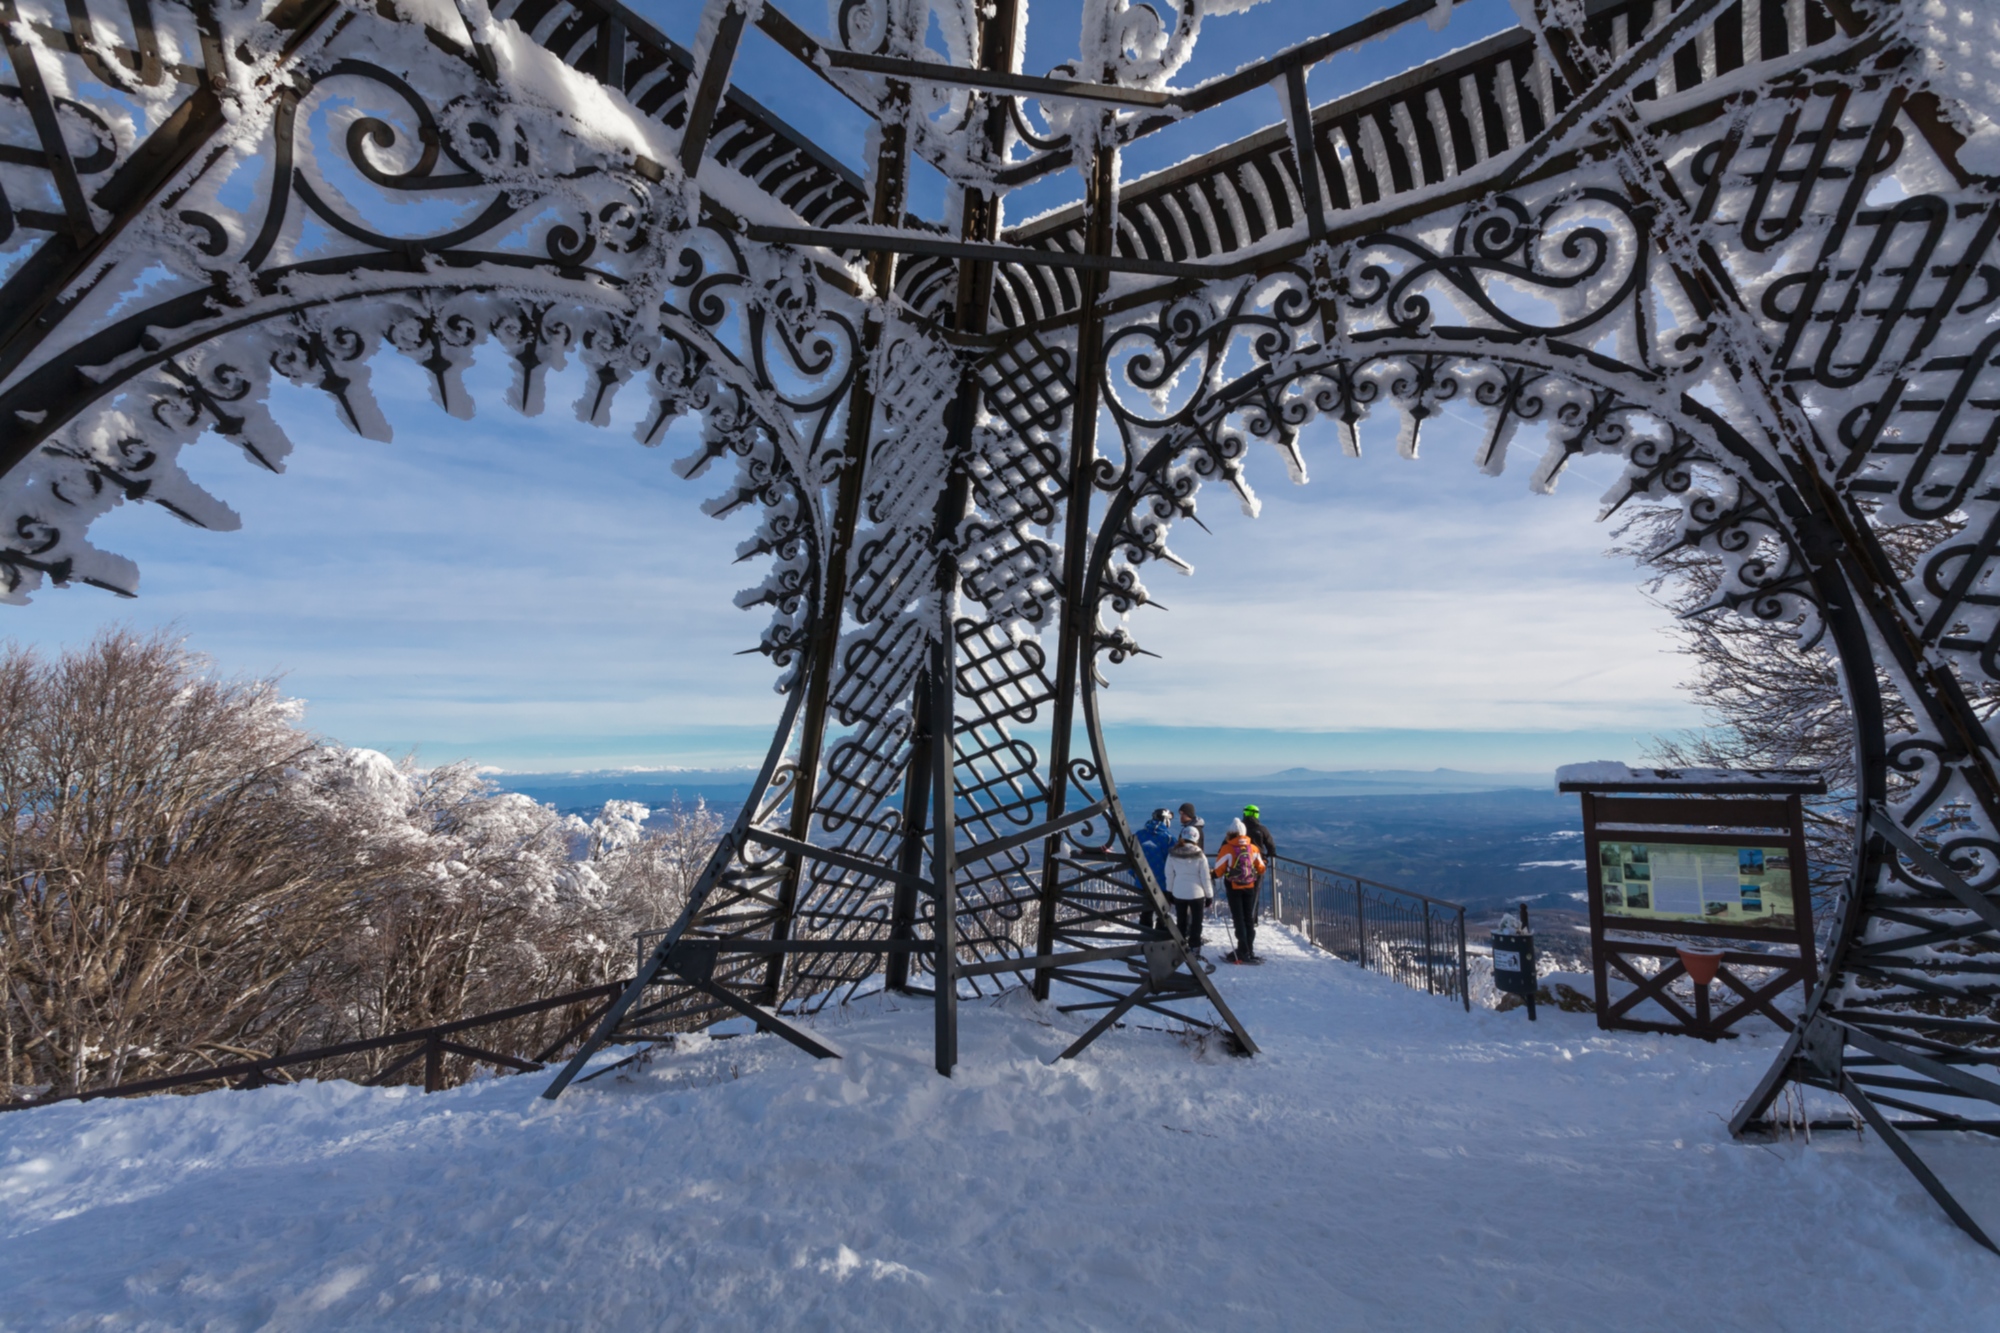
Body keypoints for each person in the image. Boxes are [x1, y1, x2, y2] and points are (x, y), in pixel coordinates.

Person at [1213, 817, 1267, 964]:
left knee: (1239, 919)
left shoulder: (1227, 848)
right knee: (1248, 919)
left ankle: (1241, 950)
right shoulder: (1253, 848)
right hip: (1249, 886)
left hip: (1233, 887)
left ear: (1231, 833)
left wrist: (1211, 875)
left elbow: (1218, 870)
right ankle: (1249, 949)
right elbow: (1261, 868)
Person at [1163, 824, 1212, 962]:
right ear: (1196, 838)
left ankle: (1180, 948)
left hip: (1178, 892)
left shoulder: (1173, 853)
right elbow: (1205, 877)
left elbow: (1169, 874)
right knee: (1197, 922)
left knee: (1181, 921)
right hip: (1197, 893)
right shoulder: (1200, 855)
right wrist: (1209, 895)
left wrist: (1169, 891)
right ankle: (1194, 950)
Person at [1136, 807, 1175, 891]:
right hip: (1163, 883)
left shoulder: (1139, 834)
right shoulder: (1169, 839)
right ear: (1166, 820)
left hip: (1141, 880)